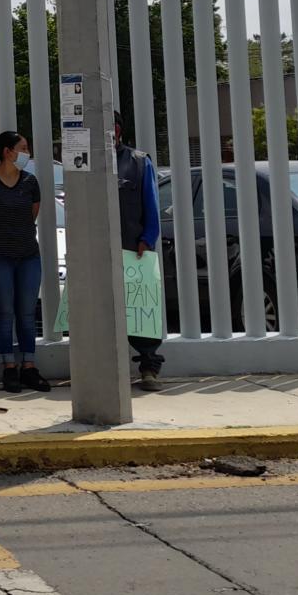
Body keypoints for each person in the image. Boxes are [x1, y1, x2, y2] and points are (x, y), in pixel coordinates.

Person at [0, 131, 51, 394]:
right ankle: (8, 367)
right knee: (4, 311)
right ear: (7, 151)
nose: (27, 153)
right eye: (23, 147)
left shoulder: (30, 182)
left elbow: (32, 214)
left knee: (27, 312)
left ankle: (29, 365)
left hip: (28, 255)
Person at [116, 112, 164, 389]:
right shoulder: (85, 160)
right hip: (97, 251)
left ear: (118, 130)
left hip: (134, 249)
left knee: (142, 310)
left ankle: (149, 367)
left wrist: (147, 238)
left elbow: (152, 203)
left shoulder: (138, 161)